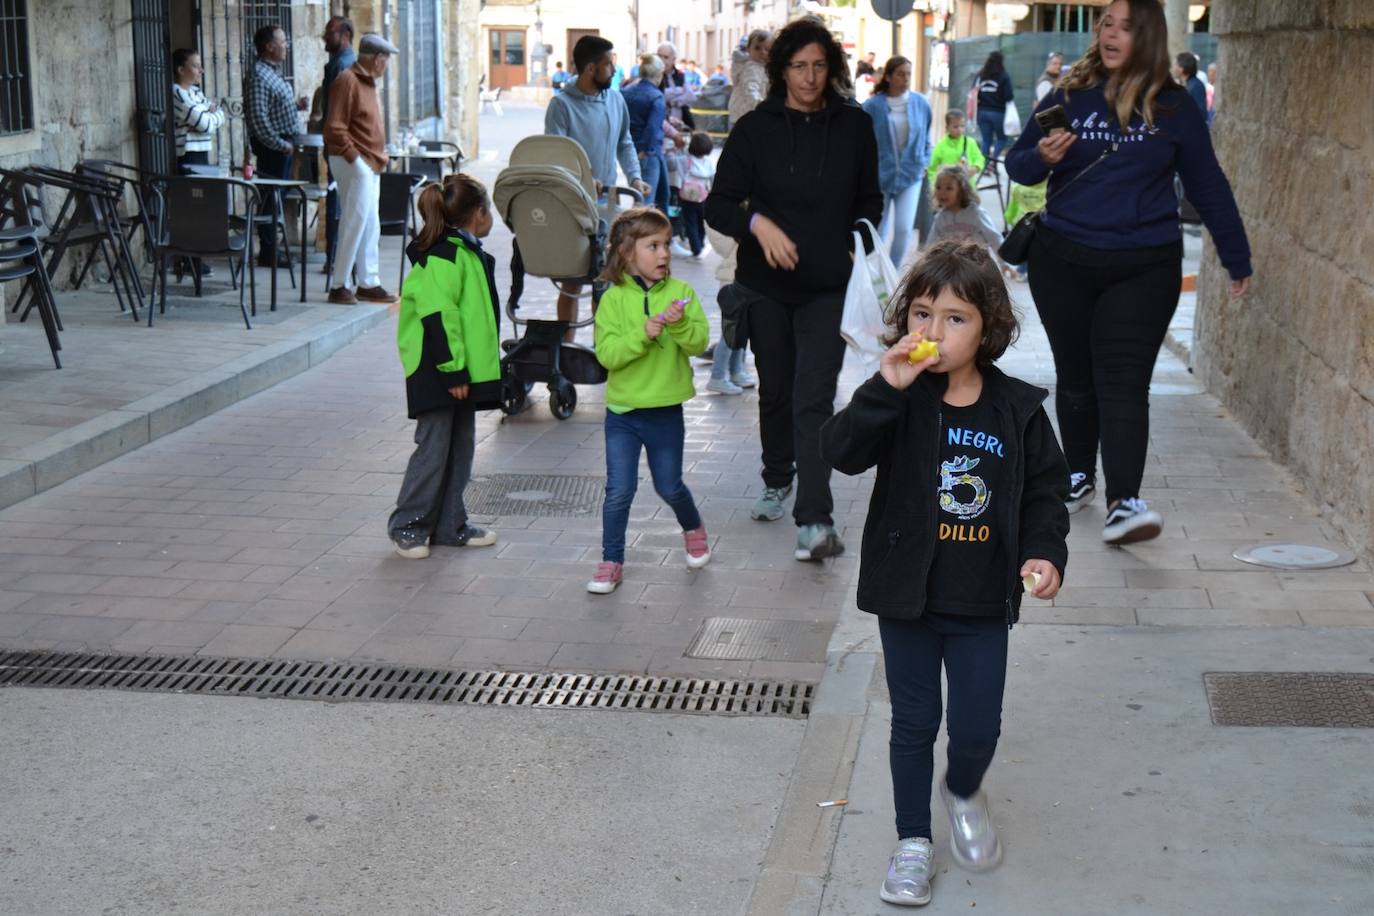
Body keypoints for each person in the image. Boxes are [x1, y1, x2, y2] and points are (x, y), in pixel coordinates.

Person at [819, 240, 1070, 909]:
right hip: (907, 597)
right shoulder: (898, 397)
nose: (933, 331)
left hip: (983, 600)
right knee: (914, 722)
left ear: (989, 327)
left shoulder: (1016, 409)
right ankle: (912, 843)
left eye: (954, 317)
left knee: (977, 726)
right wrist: (884, 385)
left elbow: (1046, 492)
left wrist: (1045, 554)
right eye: (923, 313)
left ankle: (962, 790)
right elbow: (840, 453)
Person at [1006, 0, 1252, 544]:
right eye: (1107, 24)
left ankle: (1124, 501)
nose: (1112, 34)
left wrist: (1237, 256)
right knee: (1075, 376)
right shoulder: (1069, 95)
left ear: (1148, 38)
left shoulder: (1175, 107)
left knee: (1121, 380)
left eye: (1126, 27)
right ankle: (1076, 474)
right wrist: (1043, 156)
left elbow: (1207, 185)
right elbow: (1017, 163)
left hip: (1143, 266)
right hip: (1063, 258)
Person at [705, 15, 883, 561]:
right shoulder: (755, 130)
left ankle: (815, 520)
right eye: (798, 67)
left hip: (827, 287)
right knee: (777, 391)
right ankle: (777, 474)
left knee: (814, 397)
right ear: (781, 71)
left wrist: (855, 242)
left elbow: (870, 202)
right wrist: (757, 223)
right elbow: (717, 203)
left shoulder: (854, 126)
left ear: (831, 69)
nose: (809, 77)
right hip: (764, 286)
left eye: (818, 66)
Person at [587, 208, 711, 594]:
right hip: (622, 413)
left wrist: (679, 324)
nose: (664, 254)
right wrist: (643, 333)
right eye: (653, 245)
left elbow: (699, 343)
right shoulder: (612, 300)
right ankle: (611, 561)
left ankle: (693, 528)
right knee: (619, 491)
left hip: (665, 412)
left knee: (669, 486)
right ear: (626, 253)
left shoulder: (682, 294)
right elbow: (607, 356)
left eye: (667, 245)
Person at [388, 174, 502, 559]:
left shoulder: (464, 251)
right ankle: (407, 525)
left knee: (460, 449)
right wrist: (452, 371)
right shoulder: (444, 255)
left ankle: (450, 524)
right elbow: (438, 318)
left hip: (459, 371)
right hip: (439, 370)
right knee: (433, 448)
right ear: (480, 213)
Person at [545, 35, 651, 339]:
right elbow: (556, 155)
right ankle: (566, 345)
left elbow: (625, 142)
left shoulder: (616, 100)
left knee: (607, 277)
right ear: (591, 68)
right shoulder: (561, 106)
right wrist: (582, 179)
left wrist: (634, 177)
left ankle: (603, 345)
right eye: (609, 64)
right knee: (573, 279)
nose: (614, 70)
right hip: (572, 207)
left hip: (609, 206)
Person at [324, 33, 400, 305]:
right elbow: (334, 128)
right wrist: (356, 160)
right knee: (354, 222)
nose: (387, 66)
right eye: (386, 60)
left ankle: (369, 282)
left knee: (370, 224)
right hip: (354, 162)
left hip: (368, 162)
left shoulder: (366, 83)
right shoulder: (347, 80)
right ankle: (339, 284)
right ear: (377, 60)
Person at [862, 56, 933, 266]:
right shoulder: (872, 106)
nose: (906, 78)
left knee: (903, 229)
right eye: (901, 74)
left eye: (909, 73)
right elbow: (863, 142)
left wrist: (924, 163)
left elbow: (927, 138)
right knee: (879, 230)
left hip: (911, 174)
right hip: (879, 176)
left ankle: (892, 272)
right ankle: (875, 274)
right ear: (889, 76)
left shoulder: (921, 103)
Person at [244, 24, 304, 268]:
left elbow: (272, 107)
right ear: (269, 46)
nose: (286, 46)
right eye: (283, 41)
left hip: (282, 145)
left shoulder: (272, 72)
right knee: (270, 197)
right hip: (273, 148)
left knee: (275, 196)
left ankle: (273, 249)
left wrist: (295, 106)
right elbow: (259, 119)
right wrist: (280, 144)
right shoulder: (259, 74)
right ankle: (269, 252)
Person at [171, 48, 225, 278]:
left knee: (201, 209)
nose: (200, 70)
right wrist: (207, 115)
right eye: (195, 65)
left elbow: (218, 116)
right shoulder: (176, 93)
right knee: (189, 210)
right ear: (181, 69)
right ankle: (187, 260)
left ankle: (197, 258)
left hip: (202, 154)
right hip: (188, 155)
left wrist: (208, 115)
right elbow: (203, 122)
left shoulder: (195, 92)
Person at [320, 16, 356, 279]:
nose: (324, 36)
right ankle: (340, 259)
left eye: (330, 32)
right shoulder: (339, 63)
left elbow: (339, 113)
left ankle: (337, 260)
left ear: (344, 35)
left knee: (339, 203)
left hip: (340, 147)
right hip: (340, 146)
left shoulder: (343, 66)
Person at [623, 54, 670, 213]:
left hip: (632, 148)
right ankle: (638, 235)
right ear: (658, 75)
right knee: (645, 201)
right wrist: (645, 150)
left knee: (663, 194)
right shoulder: (656, 96)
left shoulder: (626, 91)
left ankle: (662, 232)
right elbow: (652, 127)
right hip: (649, 151)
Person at [927, 166, 1002, 254]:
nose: (942, 192)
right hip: (952, 264)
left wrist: (1004, 264)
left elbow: (994, 238)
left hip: (977, 264)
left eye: (949, 188)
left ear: (962, 191)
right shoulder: (940, 218)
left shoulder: (976, 214)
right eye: (938, 187)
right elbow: (930, 246)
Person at [678, 131, 714, 262]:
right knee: (701, 222)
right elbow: (712, 178)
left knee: (690, 223)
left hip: (687, 197)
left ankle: (696, 249)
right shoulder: (708, 163)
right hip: (703, 197)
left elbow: (674, 166)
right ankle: (701, 243)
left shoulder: (685, 161)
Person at [927, 110, 985, 187]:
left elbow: (980, 159)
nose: (959, 129)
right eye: (955, 127)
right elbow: (932, 168)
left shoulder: (970, 142)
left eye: (962, 126)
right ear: (947, 128)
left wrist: (975, 168)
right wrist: (936, 184)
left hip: (967, 188)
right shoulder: (940, 145)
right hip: (947, 189)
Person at [974, 50, 1014, 162]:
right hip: (998, 113)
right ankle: (993, 161)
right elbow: (1009, 96)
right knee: (1002, 138)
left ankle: (983, 165)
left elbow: (973, 93)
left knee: (986, 140)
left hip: (981, 112)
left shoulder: (980, 75)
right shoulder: (1004, 76)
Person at [729, 29, 772, 129]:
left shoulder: (761, 67)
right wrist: (761, 104)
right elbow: (750, 89)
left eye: (767, 49)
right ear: (748, 49)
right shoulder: (751, 69)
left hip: (746, 114)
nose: (762, 52)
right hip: (744, 116)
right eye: (757, 48)